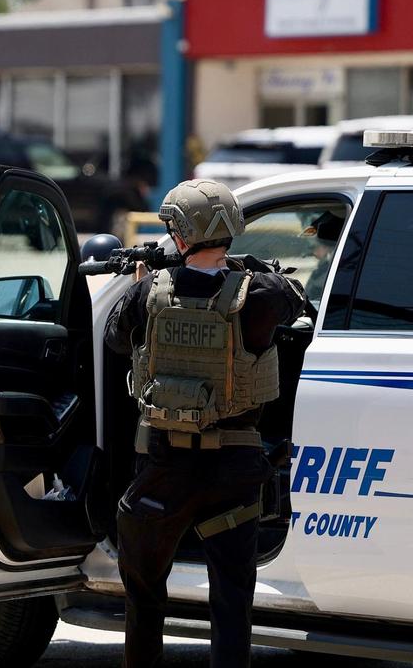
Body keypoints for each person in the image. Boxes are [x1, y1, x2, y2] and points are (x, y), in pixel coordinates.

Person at [104, 179, 304, 667]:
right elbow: (298, 305)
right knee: (232, 603)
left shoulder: (149, 292)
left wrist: (143, 284)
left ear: (179, 235)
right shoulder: (261, 294)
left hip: (165, 467)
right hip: (235, 471)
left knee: (145, 597)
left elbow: (114, 342)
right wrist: (249, 271)